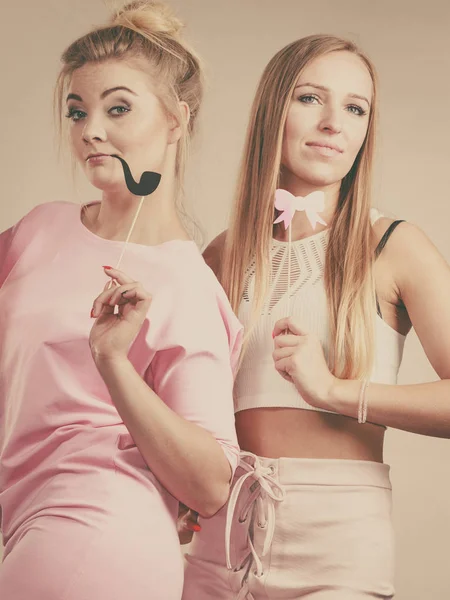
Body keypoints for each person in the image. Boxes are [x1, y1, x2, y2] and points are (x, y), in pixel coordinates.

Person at [182, 34, 450, 599]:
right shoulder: (220, 257)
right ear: (271, 111)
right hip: (220, 540)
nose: (334, 122)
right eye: (310, 98)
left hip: (339, 545)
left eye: (355, 109)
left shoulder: (394, 245)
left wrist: (333, 390)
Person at [0, 2, 242, 599]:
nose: (90, 131)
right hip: (20, 521)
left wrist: (113, 362)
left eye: (118, 108)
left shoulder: (184, 282)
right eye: (78, 112)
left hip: (95, 526)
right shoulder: (39, 229)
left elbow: (211, 484)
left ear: (176, 121)